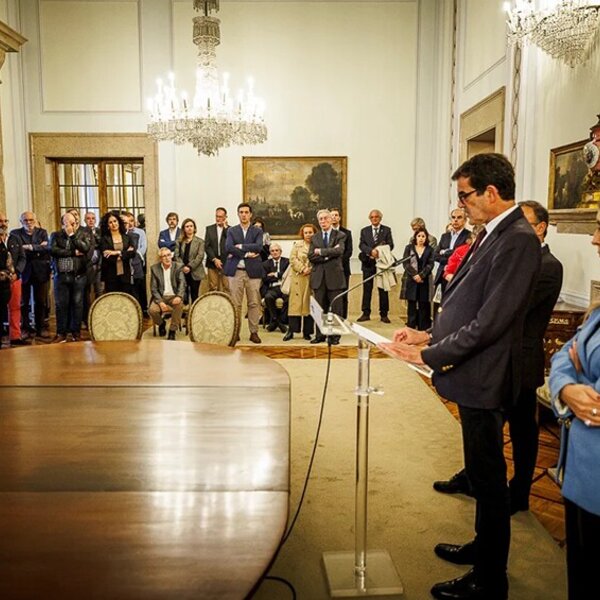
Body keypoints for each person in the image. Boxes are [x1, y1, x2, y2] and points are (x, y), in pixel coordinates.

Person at [381, 153, 540, 600]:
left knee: (489, 481)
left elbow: (490, 323)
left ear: (491, 192)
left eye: (465, 195)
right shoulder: (493, 233)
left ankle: (490, 578)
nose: (461, 204)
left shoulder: (518, 240)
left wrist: (428, 354)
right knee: (480, 475)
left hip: (487, 377)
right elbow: (466, 305)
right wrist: (426, 333)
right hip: (473, 373)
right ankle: (482, 546)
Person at [433, 201, 563, 516]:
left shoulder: (548, 265)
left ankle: (519, 493)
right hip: (496, 358)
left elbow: (507, 310)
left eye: (524, 223)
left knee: (522, 431)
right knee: (484, 431)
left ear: (541, 227)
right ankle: (472, 478)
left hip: (522, 362)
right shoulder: (516, 257)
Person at [548, 212, 600, 600]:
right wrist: (567, 386)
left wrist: (578, 371)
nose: (595, 240)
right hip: (581, 471)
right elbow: (565, 352)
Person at [224, 203, 264, 344]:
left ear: (250, 214)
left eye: (246, 212)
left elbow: (258, 247)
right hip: (236, 272)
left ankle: (254, 332)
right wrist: (247, 254)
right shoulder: (232, 231)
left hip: (253, 272)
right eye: (241, 212)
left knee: (254, 303)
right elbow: (228, 247)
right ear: (238, 214)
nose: (244, 215)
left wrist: (240, 246)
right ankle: (235, 332)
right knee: (236, 304)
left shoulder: (257, 231)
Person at [49, 212, 90, 343]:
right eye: (68, 223)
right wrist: (72, 252)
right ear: (62, 224)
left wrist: (72, 235)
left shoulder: (83, 234)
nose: (72, 226)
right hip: (61, 276)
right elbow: (53, 250)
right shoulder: (55, 235)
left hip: (78, 275)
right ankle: (61, 333)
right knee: (61, 305)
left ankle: (75, 333)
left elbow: (85, 248)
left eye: (74, 223)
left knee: (77, 305)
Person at [11, 211, 51, 338]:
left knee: (41, 301)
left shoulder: (42, 232)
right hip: (24, 270)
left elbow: (47, 248)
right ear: (21, 222)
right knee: (23, 302)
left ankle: (40, 328)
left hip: (40, 271)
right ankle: (25, 327)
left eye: (31, 220)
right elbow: (16, 251)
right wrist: (38, 247)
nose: (29, 223)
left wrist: (29, 247)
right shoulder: (15, 233)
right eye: (26, 220)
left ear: (35, 220)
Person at [309, 209, 346, 345]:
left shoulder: (340, 235)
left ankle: (334, 337)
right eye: (321, 219)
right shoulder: (315, 237)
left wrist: (320, 252)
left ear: (331, 220)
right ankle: (320, 335)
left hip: (335, 278)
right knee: (319, 309)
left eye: (325, 218)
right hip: (319, 278)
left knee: (336, 308)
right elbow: (311, 256)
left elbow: (339, 251)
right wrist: (329, 255)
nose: (323, 221)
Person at [357, 209, 394, 323]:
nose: (374, 219)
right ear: (370, 219)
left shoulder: (386, 230)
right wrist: (371, 251)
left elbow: (391, 245)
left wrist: (379, 251)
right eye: (372, 217)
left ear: (380, 218)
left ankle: (384, 314)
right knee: (367, 289)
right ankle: (365, 313)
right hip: (368, 264)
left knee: (383, 289)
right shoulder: (364, 231)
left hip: (382, 264)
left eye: (376, 217)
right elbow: (361, 245)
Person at [283, 224, 316, 342]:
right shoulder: (297, 245)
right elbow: (292, 259)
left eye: (310, 232)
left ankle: (307, 332)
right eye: (306, 232)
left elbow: (319, 260)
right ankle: (291, 331)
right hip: (297, 278)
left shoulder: (317, 245)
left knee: (309, 305)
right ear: (302, 234)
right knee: (294, 306)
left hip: (311, 278)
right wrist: (302, 268)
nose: (308, 235)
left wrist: (310, 269)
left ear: (314, 233)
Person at [0, 213, 28, 346]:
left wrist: (17, 272)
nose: (3, 224)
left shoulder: (15, 238)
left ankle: (15, 336)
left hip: (15, 279)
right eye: (0, 221)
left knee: (15, 307)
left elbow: (22, 257)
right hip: (1, 279)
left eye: (5, 221)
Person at [400, 226, 434, 331]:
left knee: (424, 304)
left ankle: (423, 328)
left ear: (426, 238)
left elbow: (430, 264)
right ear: (415, 237)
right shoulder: (409, 248)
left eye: (423, 236)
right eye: (419, 236)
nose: (421, 238)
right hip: (411, 280)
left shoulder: (430, 249)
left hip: (424, 280)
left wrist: (421, 275)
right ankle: (411, 327)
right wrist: (414, 275)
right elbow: (406, 263)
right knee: (412, 305)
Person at [149, 247, 186, 341]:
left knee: (179, 305)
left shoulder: (178, 266)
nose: (167, 258)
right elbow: (153, 288)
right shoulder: (155, 268)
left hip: (174, 295)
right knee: (152, 310)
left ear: (171, 256)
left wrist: (179, 296)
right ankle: (162, 324)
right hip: (161, 296)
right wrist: (160, 302)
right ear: (160, 258)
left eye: (169, 255)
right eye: (164, 256)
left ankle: (172, 330)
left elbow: (182, 283)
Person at [433, 208, 469, 304]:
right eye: (453, 217)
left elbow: (461, 255)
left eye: (459, 217)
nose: (455, 220)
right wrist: (450, 257)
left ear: (465, 220)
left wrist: (444, 252)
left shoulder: (468, 236)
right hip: (442, 274)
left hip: (457, 274)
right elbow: (435, 255)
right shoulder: (445, 236)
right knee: (439, 305)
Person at [99, 211, 136, 295]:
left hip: (125, 274)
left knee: (126, 298)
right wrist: (124, 253)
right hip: (110, 274)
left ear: (119, 222)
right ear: (107, 225)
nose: (113, 224)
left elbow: (132, 253)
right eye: (110, 222)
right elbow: (106, 256)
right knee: (113, 299)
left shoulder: (127, 237)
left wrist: (117, 252)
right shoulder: (104, 239)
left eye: (115, 221)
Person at [174, 218, 205, 304]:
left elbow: (200, 256)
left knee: (194, 294)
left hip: (195, 271)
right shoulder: (179, 241)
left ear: (194, 228)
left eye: (191, 226)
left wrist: (189, 267)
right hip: (182, 271)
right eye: (187, 226)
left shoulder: (200, 242)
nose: (189, 228)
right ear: (184, 229)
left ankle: (194, 311)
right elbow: (176, 256)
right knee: (184, 294)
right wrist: (183, 267)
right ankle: (185, 309)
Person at [261, 242, 289, 333]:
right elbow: (265, 278)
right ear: (270, 253)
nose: (275, 252)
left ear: (280, 252)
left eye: (276, 250)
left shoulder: (287, 262)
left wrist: (275, 274)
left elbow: (287, 275)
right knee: (268, 297)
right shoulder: (265, 264)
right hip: (272, 288)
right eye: (272, 251)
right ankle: (278, 322)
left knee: (289, 298)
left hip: (284, 287)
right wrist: (280, 276)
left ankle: (277, 321)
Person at [330, 208, 353, 319]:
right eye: (332, 215)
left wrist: (337, 262)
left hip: (343, 268)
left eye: (336, 215)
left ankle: (343, 319)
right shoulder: (326, 233)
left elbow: (349, 251)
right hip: (329, 269)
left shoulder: (347, 233)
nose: (334, 217)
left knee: (343, 294)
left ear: (339, 218)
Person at [204, 207, 229, 292]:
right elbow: (207, 246)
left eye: (220, 217)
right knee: (213, 287)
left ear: (225, 217)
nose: (218, 219)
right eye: (217, 216)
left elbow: (231, 244)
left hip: (226, 262)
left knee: (227, 287)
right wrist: (214, 259)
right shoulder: (209, 229)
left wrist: (225, 228)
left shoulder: (230, 230)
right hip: (212, 261)